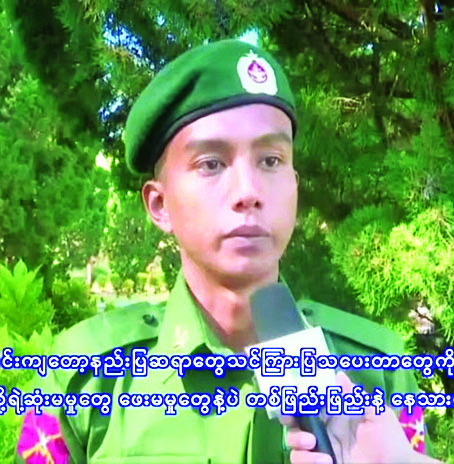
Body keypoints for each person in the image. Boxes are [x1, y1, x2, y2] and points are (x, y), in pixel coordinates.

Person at [16, 39, 442, 464]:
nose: (248, 192)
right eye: (211, 164)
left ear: (294, 186)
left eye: (271, 161)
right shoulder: (80, 380)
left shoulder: (378, 374)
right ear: (159, 205)